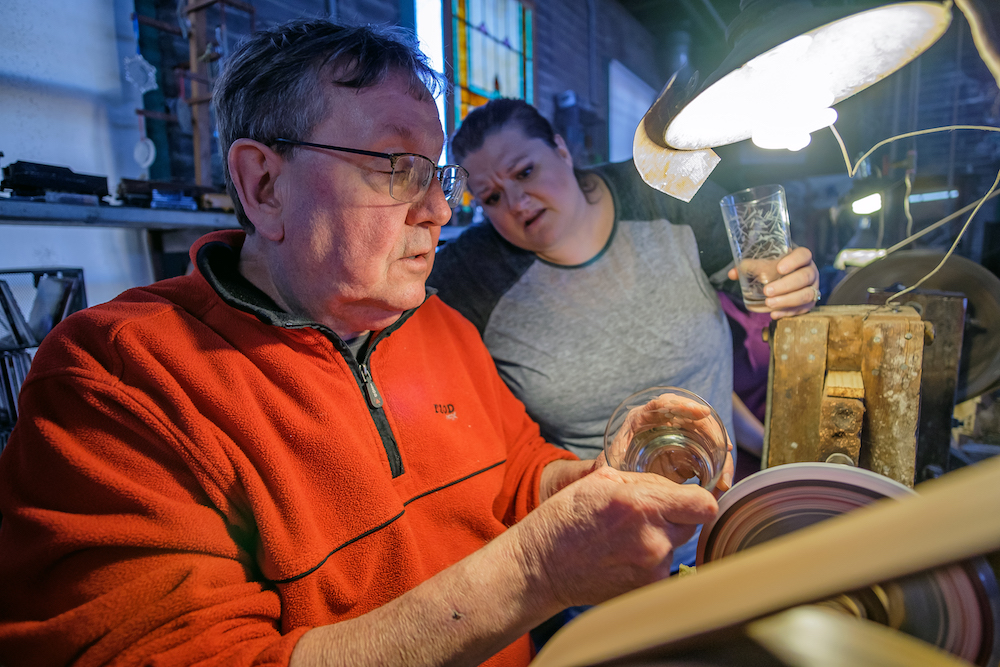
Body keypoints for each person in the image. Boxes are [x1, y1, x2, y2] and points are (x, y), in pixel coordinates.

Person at [0, 20, 733, 667]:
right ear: (263, 185)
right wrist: (540, 568)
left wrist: (593, 482)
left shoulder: (439, 326)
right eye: (397, 168)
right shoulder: (117, 376)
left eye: (438, 173)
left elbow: (515, 474)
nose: (442, 209)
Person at [428, 99, 821, 567]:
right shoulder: (473, 275)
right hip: (597, 552)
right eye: (491, 198)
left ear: (561, 148)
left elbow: (764, 277)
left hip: (726, 529)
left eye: (525, 172)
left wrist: (793, 285)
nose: (516, 203)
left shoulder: (660, 191)